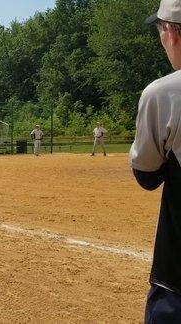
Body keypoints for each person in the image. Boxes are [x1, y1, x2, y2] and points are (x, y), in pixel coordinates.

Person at [133, 3, 181, 321]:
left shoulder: (164, 94)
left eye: (161, 28)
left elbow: (147, 176)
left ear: (172, 33)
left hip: (176, 281)